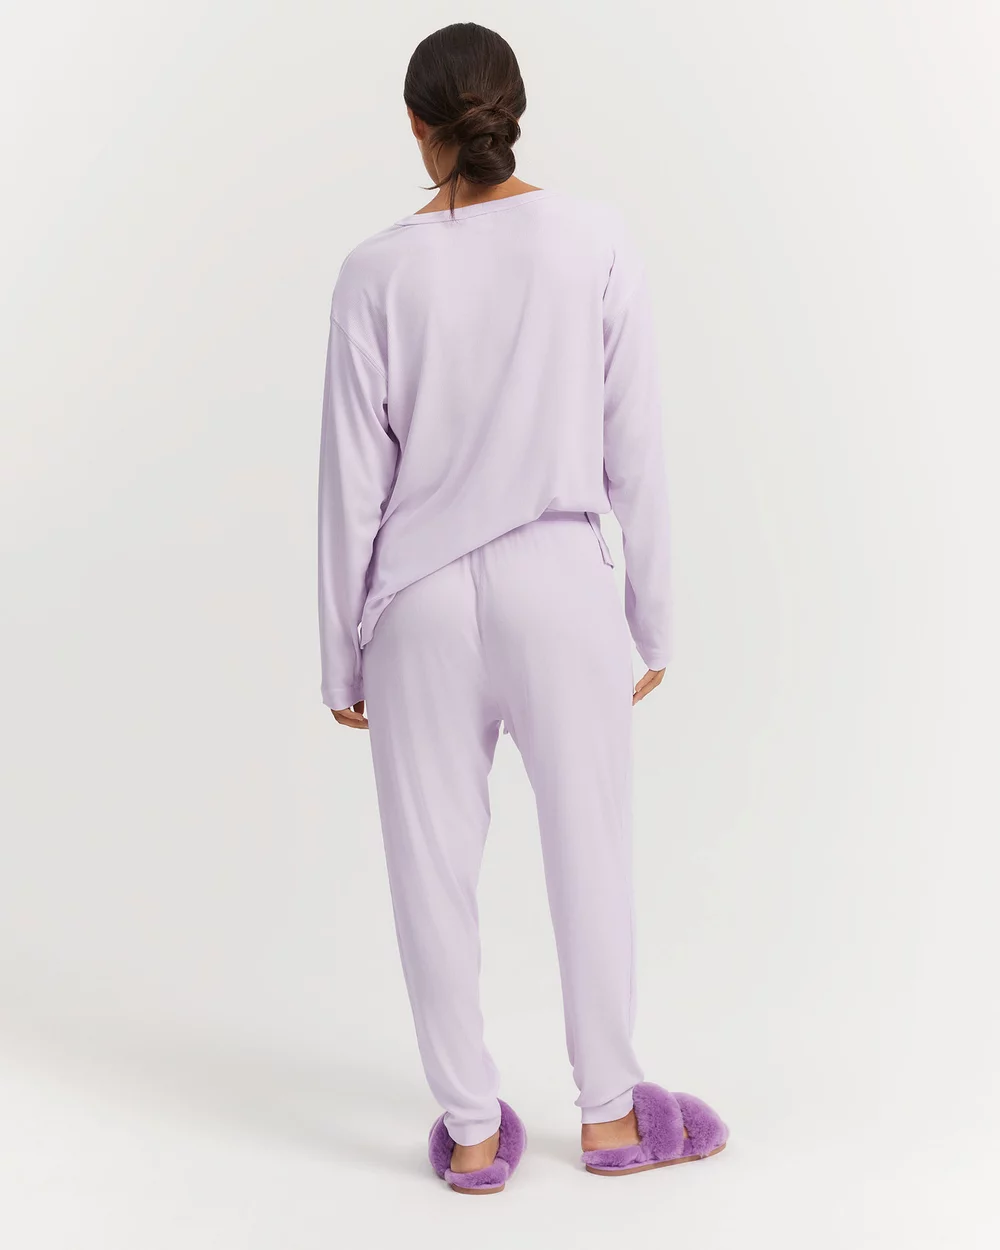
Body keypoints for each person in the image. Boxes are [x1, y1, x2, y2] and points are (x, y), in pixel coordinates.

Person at [317, 22, 728, 1194]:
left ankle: (471, 1129)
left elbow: (350, 484)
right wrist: (653, 618)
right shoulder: (594, 238)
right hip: (560, 582)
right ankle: (610, 1115)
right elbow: (635, 445)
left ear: (416, 126)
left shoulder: (373, 272)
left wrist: (341, 655)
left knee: (430, 870)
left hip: (415, 602)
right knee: (590, 846)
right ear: (514, 110)